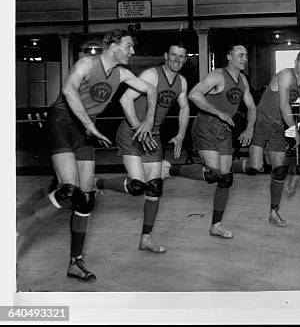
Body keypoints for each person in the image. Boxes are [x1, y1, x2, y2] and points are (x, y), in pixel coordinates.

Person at [19, 29, 157, 283]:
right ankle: (17, 230)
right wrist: (91, 127)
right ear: (112, 46)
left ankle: (75, 262)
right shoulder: (86, 64)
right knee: (69, 190)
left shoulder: (122, 73)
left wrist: (148, 120)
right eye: (128, 46)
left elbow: (151, 89)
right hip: (62, 121)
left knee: (85, 199)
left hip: (85, 127)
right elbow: (69, 91)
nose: (132, 51)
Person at [95, 42, 190, 253]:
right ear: (166, 55)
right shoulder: (151, 75)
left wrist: (181, 134)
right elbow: (125, 99)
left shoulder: (181, 82)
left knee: (155, 187)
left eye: (181, 57)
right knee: (137, 186)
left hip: (153, 135)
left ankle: (146, 239)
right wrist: (139, 127)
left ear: (185, 59)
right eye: (173, 55)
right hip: (131, 130)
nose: (176, 60)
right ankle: (99, 183)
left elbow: (184, 107)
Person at [188, 44, 256, 239]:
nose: (244, 58)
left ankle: (215, 225)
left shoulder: (242, 80)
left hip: (225, 129)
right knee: (213, 175)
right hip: (206, 125)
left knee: (226, 179)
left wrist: (250, 128)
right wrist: (219, 113)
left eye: (246, 55)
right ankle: (170, 169)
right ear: (229, 57)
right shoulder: (218, 75)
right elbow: (194, 94)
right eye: (240, 55)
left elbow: (251, 107)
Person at [248, 50, 300, 227]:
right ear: (296, 62)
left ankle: (273, 212)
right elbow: (284, 105)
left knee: (279, 169)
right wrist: (295, 131)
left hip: (278, 126)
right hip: (263, 122)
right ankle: (227, 167)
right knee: (256, 167)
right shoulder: (285, 75)